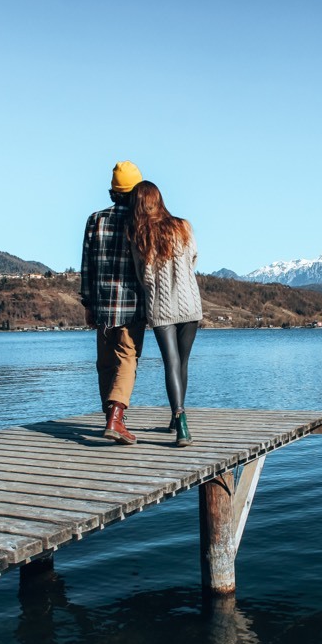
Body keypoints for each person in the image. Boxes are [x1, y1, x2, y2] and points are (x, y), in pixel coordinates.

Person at [130, 180, 202, 447]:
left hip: (161, 306)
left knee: (170, 363)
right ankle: (177, 416)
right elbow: (194, 258)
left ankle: (180, 421)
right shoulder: (184, 226)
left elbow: (143, 276)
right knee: (182, 362)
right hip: (190, 304)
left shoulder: (140, 234)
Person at [80, 161, 146, 444]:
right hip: (132, 305)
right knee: (127, 360)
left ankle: (110, 418)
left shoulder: (95, 219)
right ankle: (116, 419)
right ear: (136, 191)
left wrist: (87, 303)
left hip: (102, 304)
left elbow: (87, 266)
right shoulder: (140, 221)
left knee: (105, 363)